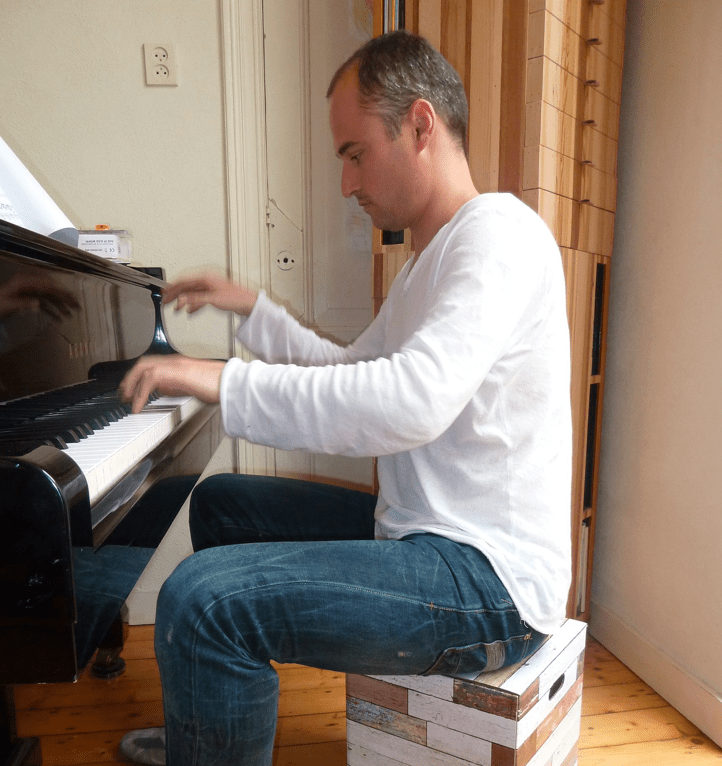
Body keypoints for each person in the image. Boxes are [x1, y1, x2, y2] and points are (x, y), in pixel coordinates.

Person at [117, 29, 572, 766]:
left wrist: (223, 380)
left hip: (488, 583)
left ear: (420, 125)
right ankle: (212, 727)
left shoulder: (500, 235)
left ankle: (207, 714)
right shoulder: (429, 262)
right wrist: (252, 310)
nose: (346, 182)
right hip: (427, 536)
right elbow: (349, 373)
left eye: (354, 153)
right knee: (220, 503)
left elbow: (406, 404)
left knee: (201, 601)